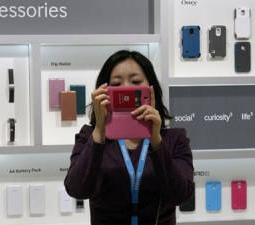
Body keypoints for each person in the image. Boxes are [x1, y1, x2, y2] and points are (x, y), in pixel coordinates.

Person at [64, 50, 194, 225]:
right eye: (116, 84)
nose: (126, 88)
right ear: (103, 91)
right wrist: (100, 131)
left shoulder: (174, 139)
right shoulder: (90, 137)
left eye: (136, 81)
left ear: (151, 87)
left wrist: (155, 139)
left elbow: (181, 195)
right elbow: (76, 189)